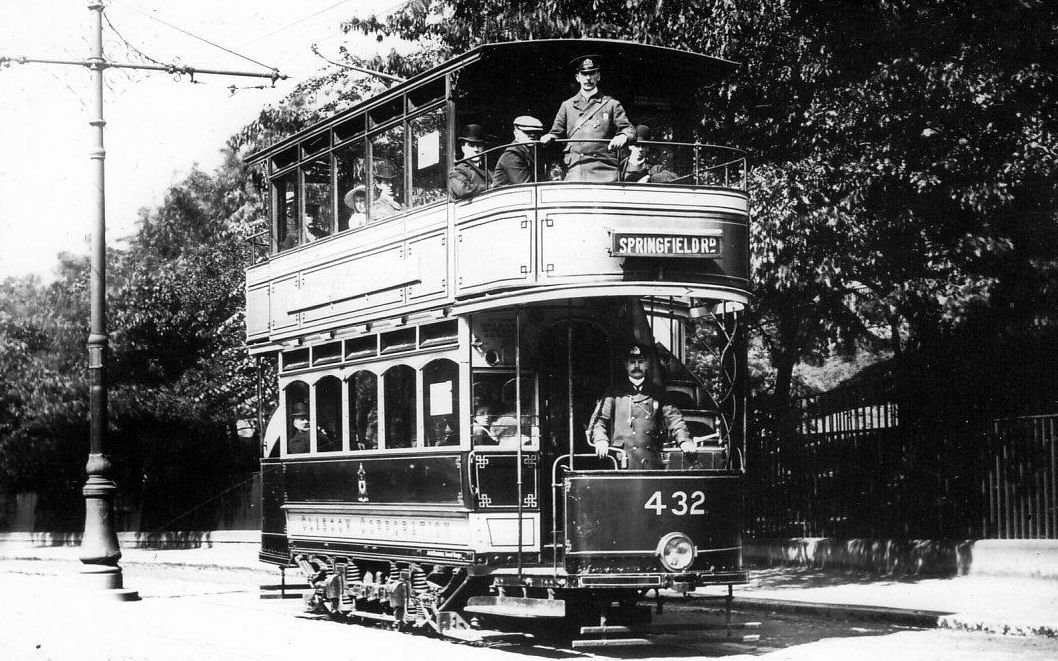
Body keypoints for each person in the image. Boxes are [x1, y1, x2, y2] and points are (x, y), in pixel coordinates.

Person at [589, 342, 695, 469]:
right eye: (632, 362)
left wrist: (684, 440)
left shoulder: (658, 392)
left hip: (651, 460)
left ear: (647, 364)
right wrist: (601, 440)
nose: (636, 366)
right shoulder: (614, 392)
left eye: (641, 361)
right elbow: (599, 420)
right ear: (626, 365)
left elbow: (674, 419)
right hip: (622, 460)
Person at [539, 55, 637, 182]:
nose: (588, 78)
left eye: (592, 73)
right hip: (575, 170)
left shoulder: (611, 104)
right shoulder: (567, 105)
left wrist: (622, 136)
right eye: (584, 74)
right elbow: (556, 133)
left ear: (599, 76)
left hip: (604, 171)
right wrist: (550, 137)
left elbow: (629, 130)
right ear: (577, 77)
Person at [493, 115, 544, 186]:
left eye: (536, 132)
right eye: (527, 132)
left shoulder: (528, 152)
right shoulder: (512, 155)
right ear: (516, 133)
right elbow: (525, 186)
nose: (532, 135)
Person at [448, 124, 491, 200]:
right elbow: (463, 190)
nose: (476, 149)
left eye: (479, 145)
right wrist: (489, 187)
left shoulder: (489, 170)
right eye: (471, 145)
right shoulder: (457, 171)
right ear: (463, 147)